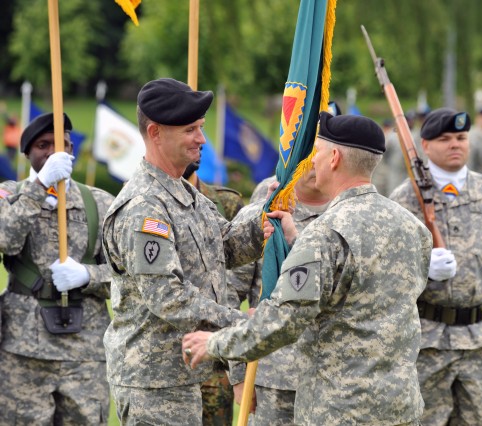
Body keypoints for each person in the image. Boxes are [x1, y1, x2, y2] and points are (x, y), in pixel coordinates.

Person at [183, 112, 432, 425]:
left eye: (318, 153)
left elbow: (284, 321)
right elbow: (367, 290)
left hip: (339, 410)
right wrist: (299, 244)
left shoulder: (325, 234)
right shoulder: (412, 226)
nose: (311, 162)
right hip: (399, 406)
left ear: (335, 158)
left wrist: (216, 343)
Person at [101, 78, 283, 425]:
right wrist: (240, 322)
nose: (202, 139)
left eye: (200, 128)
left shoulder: (184, 194)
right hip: (152, 382)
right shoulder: (145, 206)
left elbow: (225, 246)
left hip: (180, 374)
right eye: (190, 130)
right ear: (155, 133)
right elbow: (168, 296)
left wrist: (265, 220)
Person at [389, 107, 482, 425]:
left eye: (461, 137)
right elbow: (383, 275)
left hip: (480, 340)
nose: (456, 144)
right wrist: (420, 269)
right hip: (426, 341)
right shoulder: (404, 200)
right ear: (425, 145)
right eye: (445, 139)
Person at [0, 112, 114, 424]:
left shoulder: (100, 204)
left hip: (85, 353)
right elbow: (4, 240)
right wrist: (38, 187)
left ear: (72, 150)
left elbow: (128, 277)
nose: (52, 152)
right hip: (23, 353)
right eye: (42, 145)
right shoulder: (8, 195)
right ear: (27, 154)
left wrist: (89, 276)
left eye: (61, 145)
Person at [227, 167, 331, 425]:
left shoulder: (348, 213)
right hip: (272, 379)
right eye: (308, 158)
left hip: (334, 381)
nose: (316, 164)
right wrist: (238, 375)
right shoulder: (266, 209)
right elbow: (229, 295)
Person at [182, 160, 245, 425]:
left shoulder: (224, 203)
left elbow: (245, 273)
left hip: (217, 352)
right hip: (167, 354)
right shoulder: (144, 199)